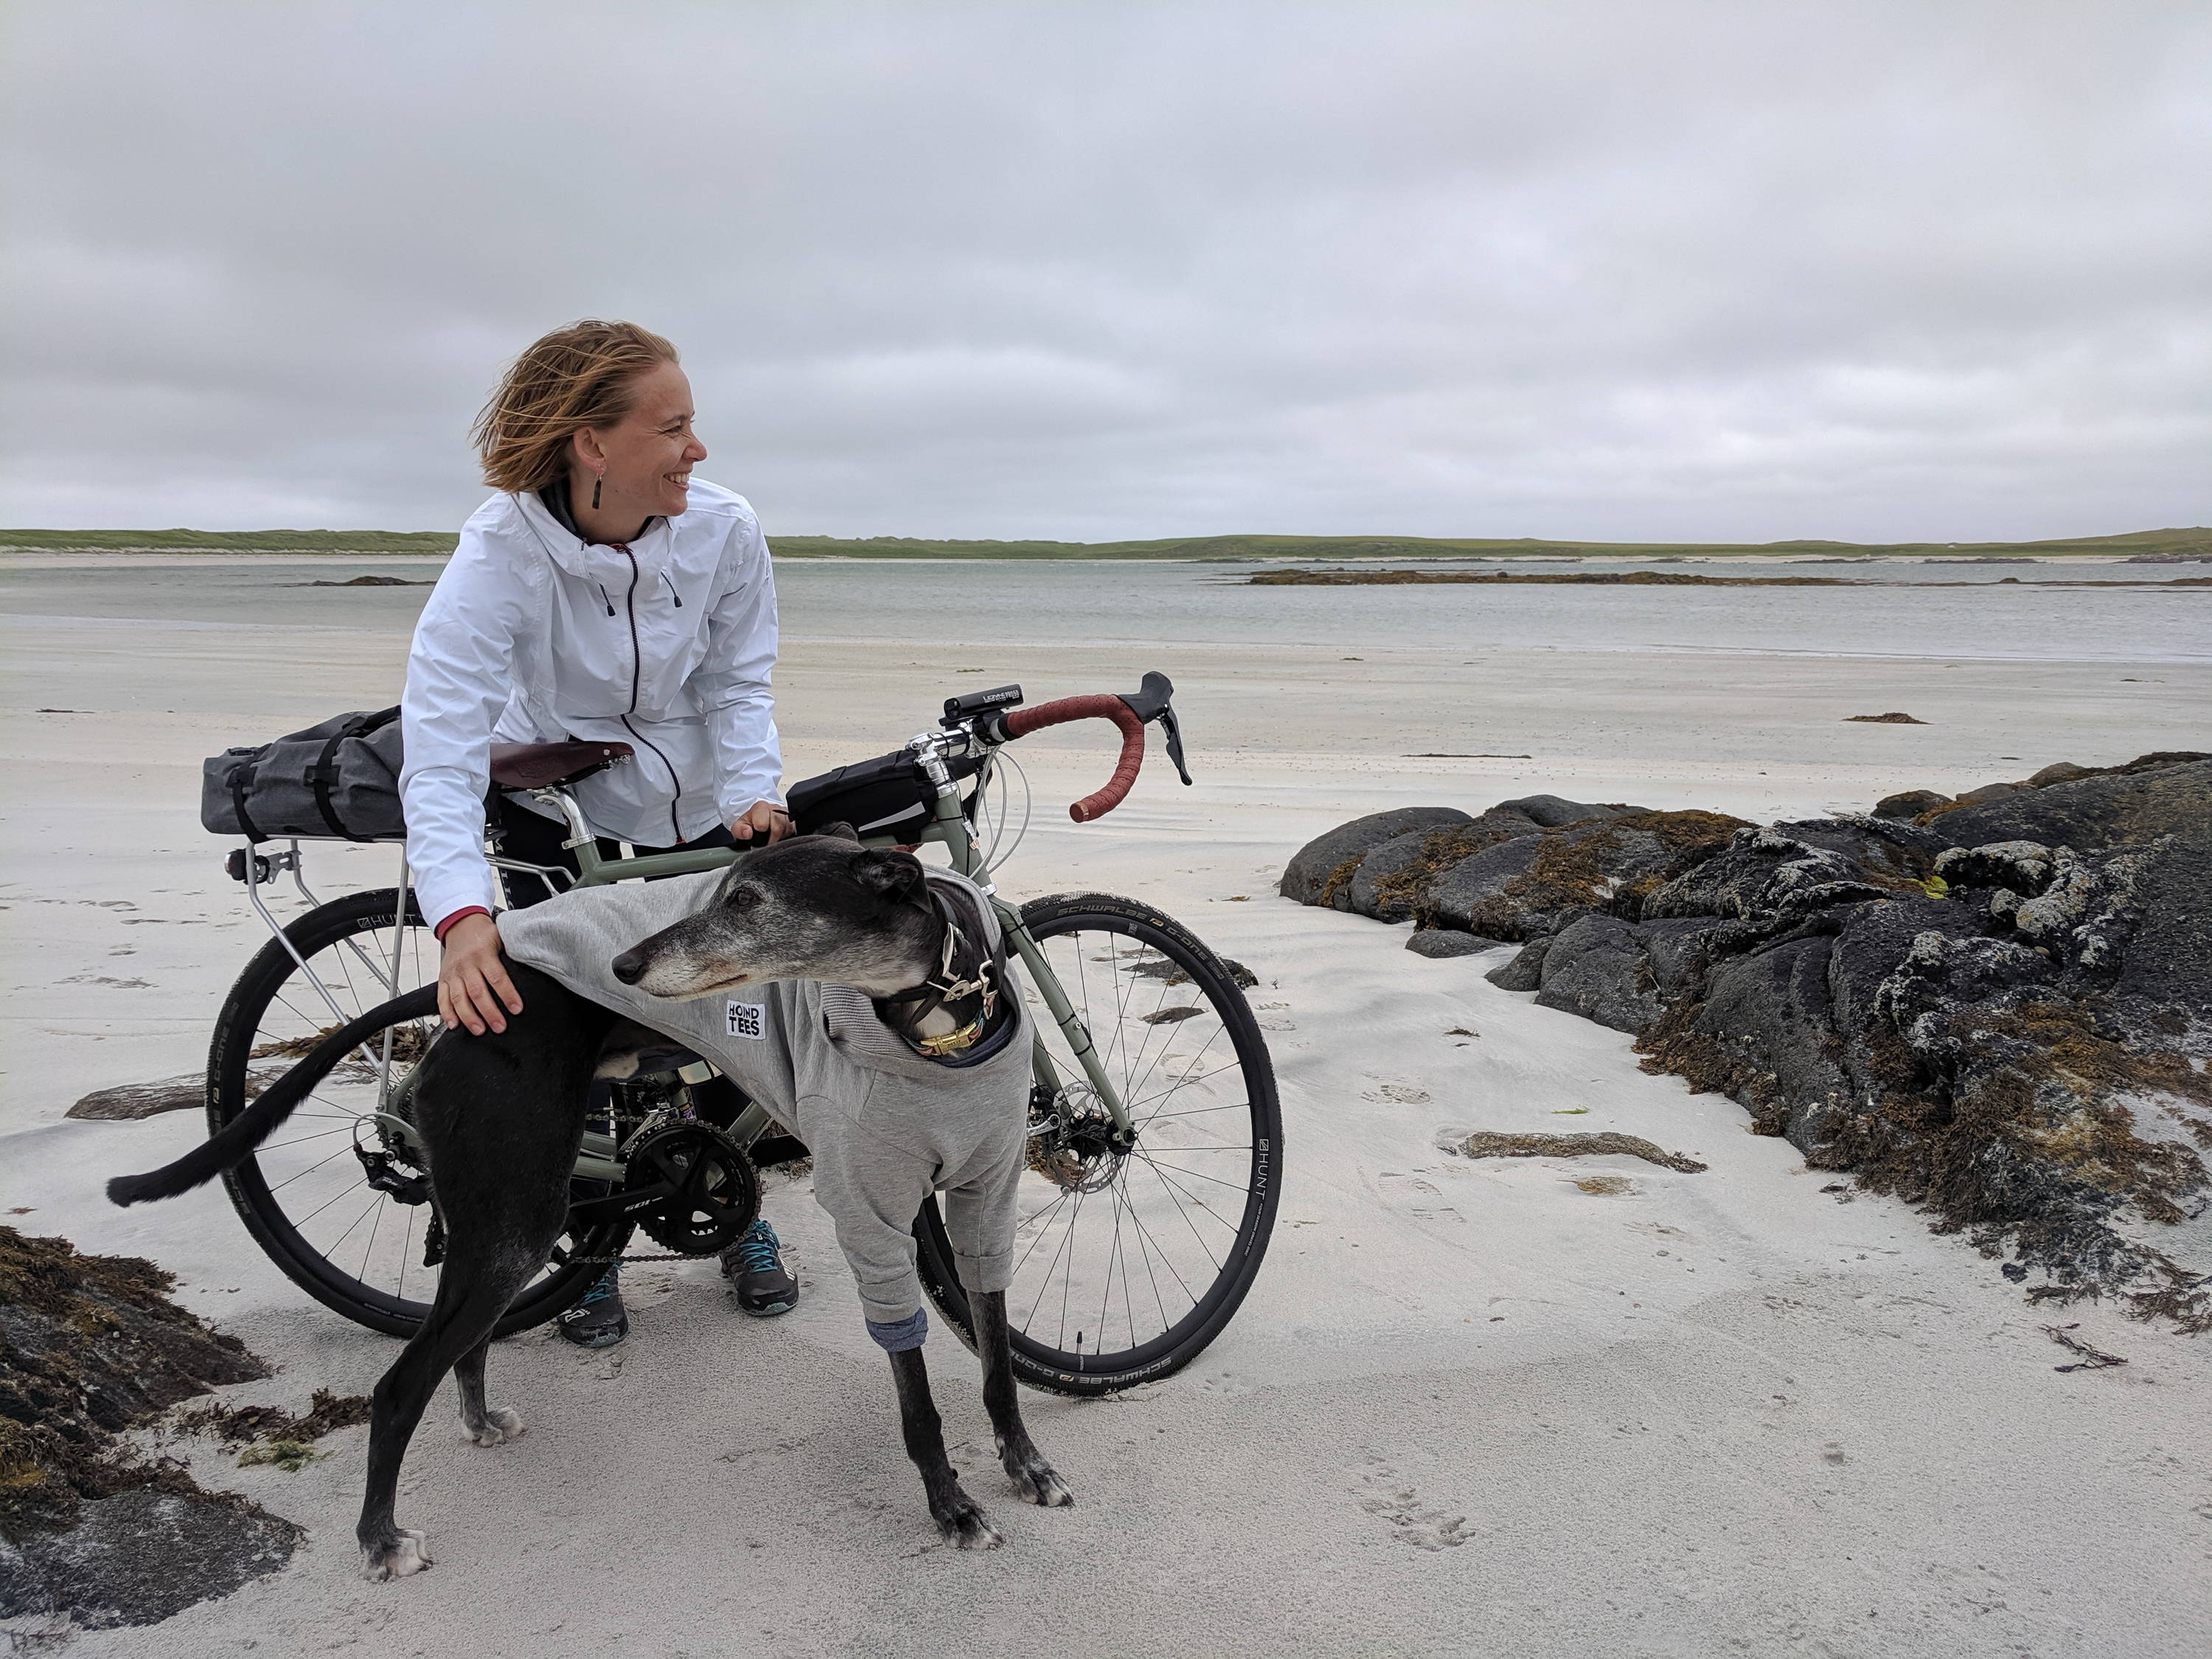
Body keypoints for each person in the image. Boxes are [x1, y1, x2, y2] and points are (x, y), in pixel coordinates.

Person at [399, 319, 798, 1347]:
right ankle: (591, 1244)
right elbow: (440, 746)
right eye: (672, 427)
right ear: (592, 445)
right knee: (574, 1035)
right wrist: (458, 913)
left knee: (724, 1016)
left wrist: (753, 792)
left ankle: (738, 1208)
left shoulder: (726, 529)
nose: (696, 449)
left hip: (702, 806)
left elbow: (737, 680)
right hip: (556, 800)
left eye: (694, 424)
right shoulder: (499, 553)